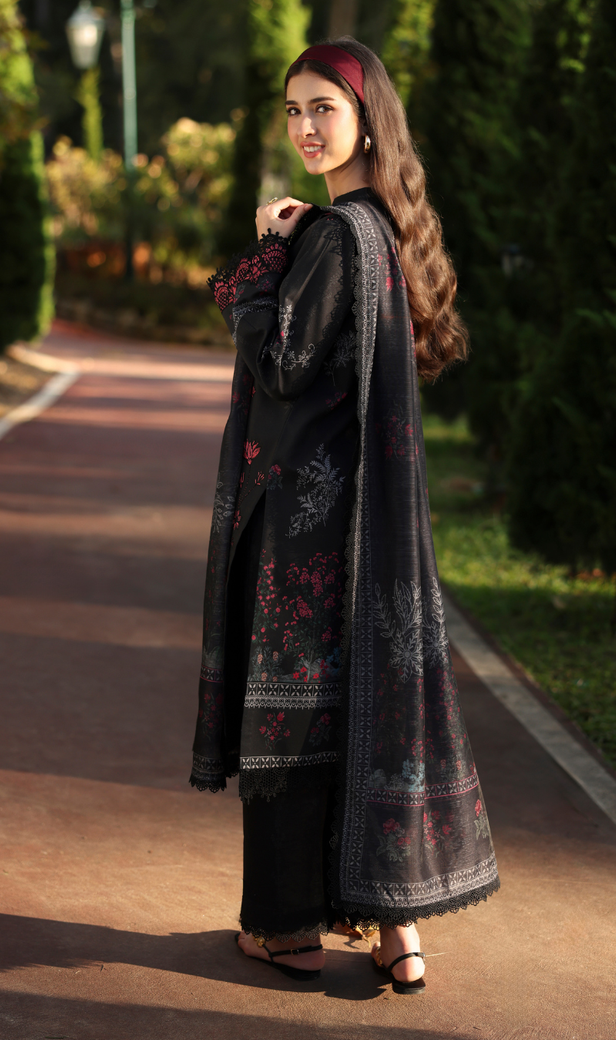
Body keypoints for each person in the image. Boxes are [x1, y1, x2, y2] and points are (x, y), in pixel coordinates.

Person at [190, 37, 499, 996]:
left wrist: (263, 258)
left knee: (288, 723)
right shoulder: (389, 231)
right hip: (374, 523)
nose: (305, 127)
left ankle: (287, 931)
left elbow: (283, 363)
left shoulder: (330, 236)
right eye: (293, 110)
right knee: (369, 707)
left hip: (305, 525)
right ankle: (399, 932)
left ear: (368, 119)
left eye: (323, 107)